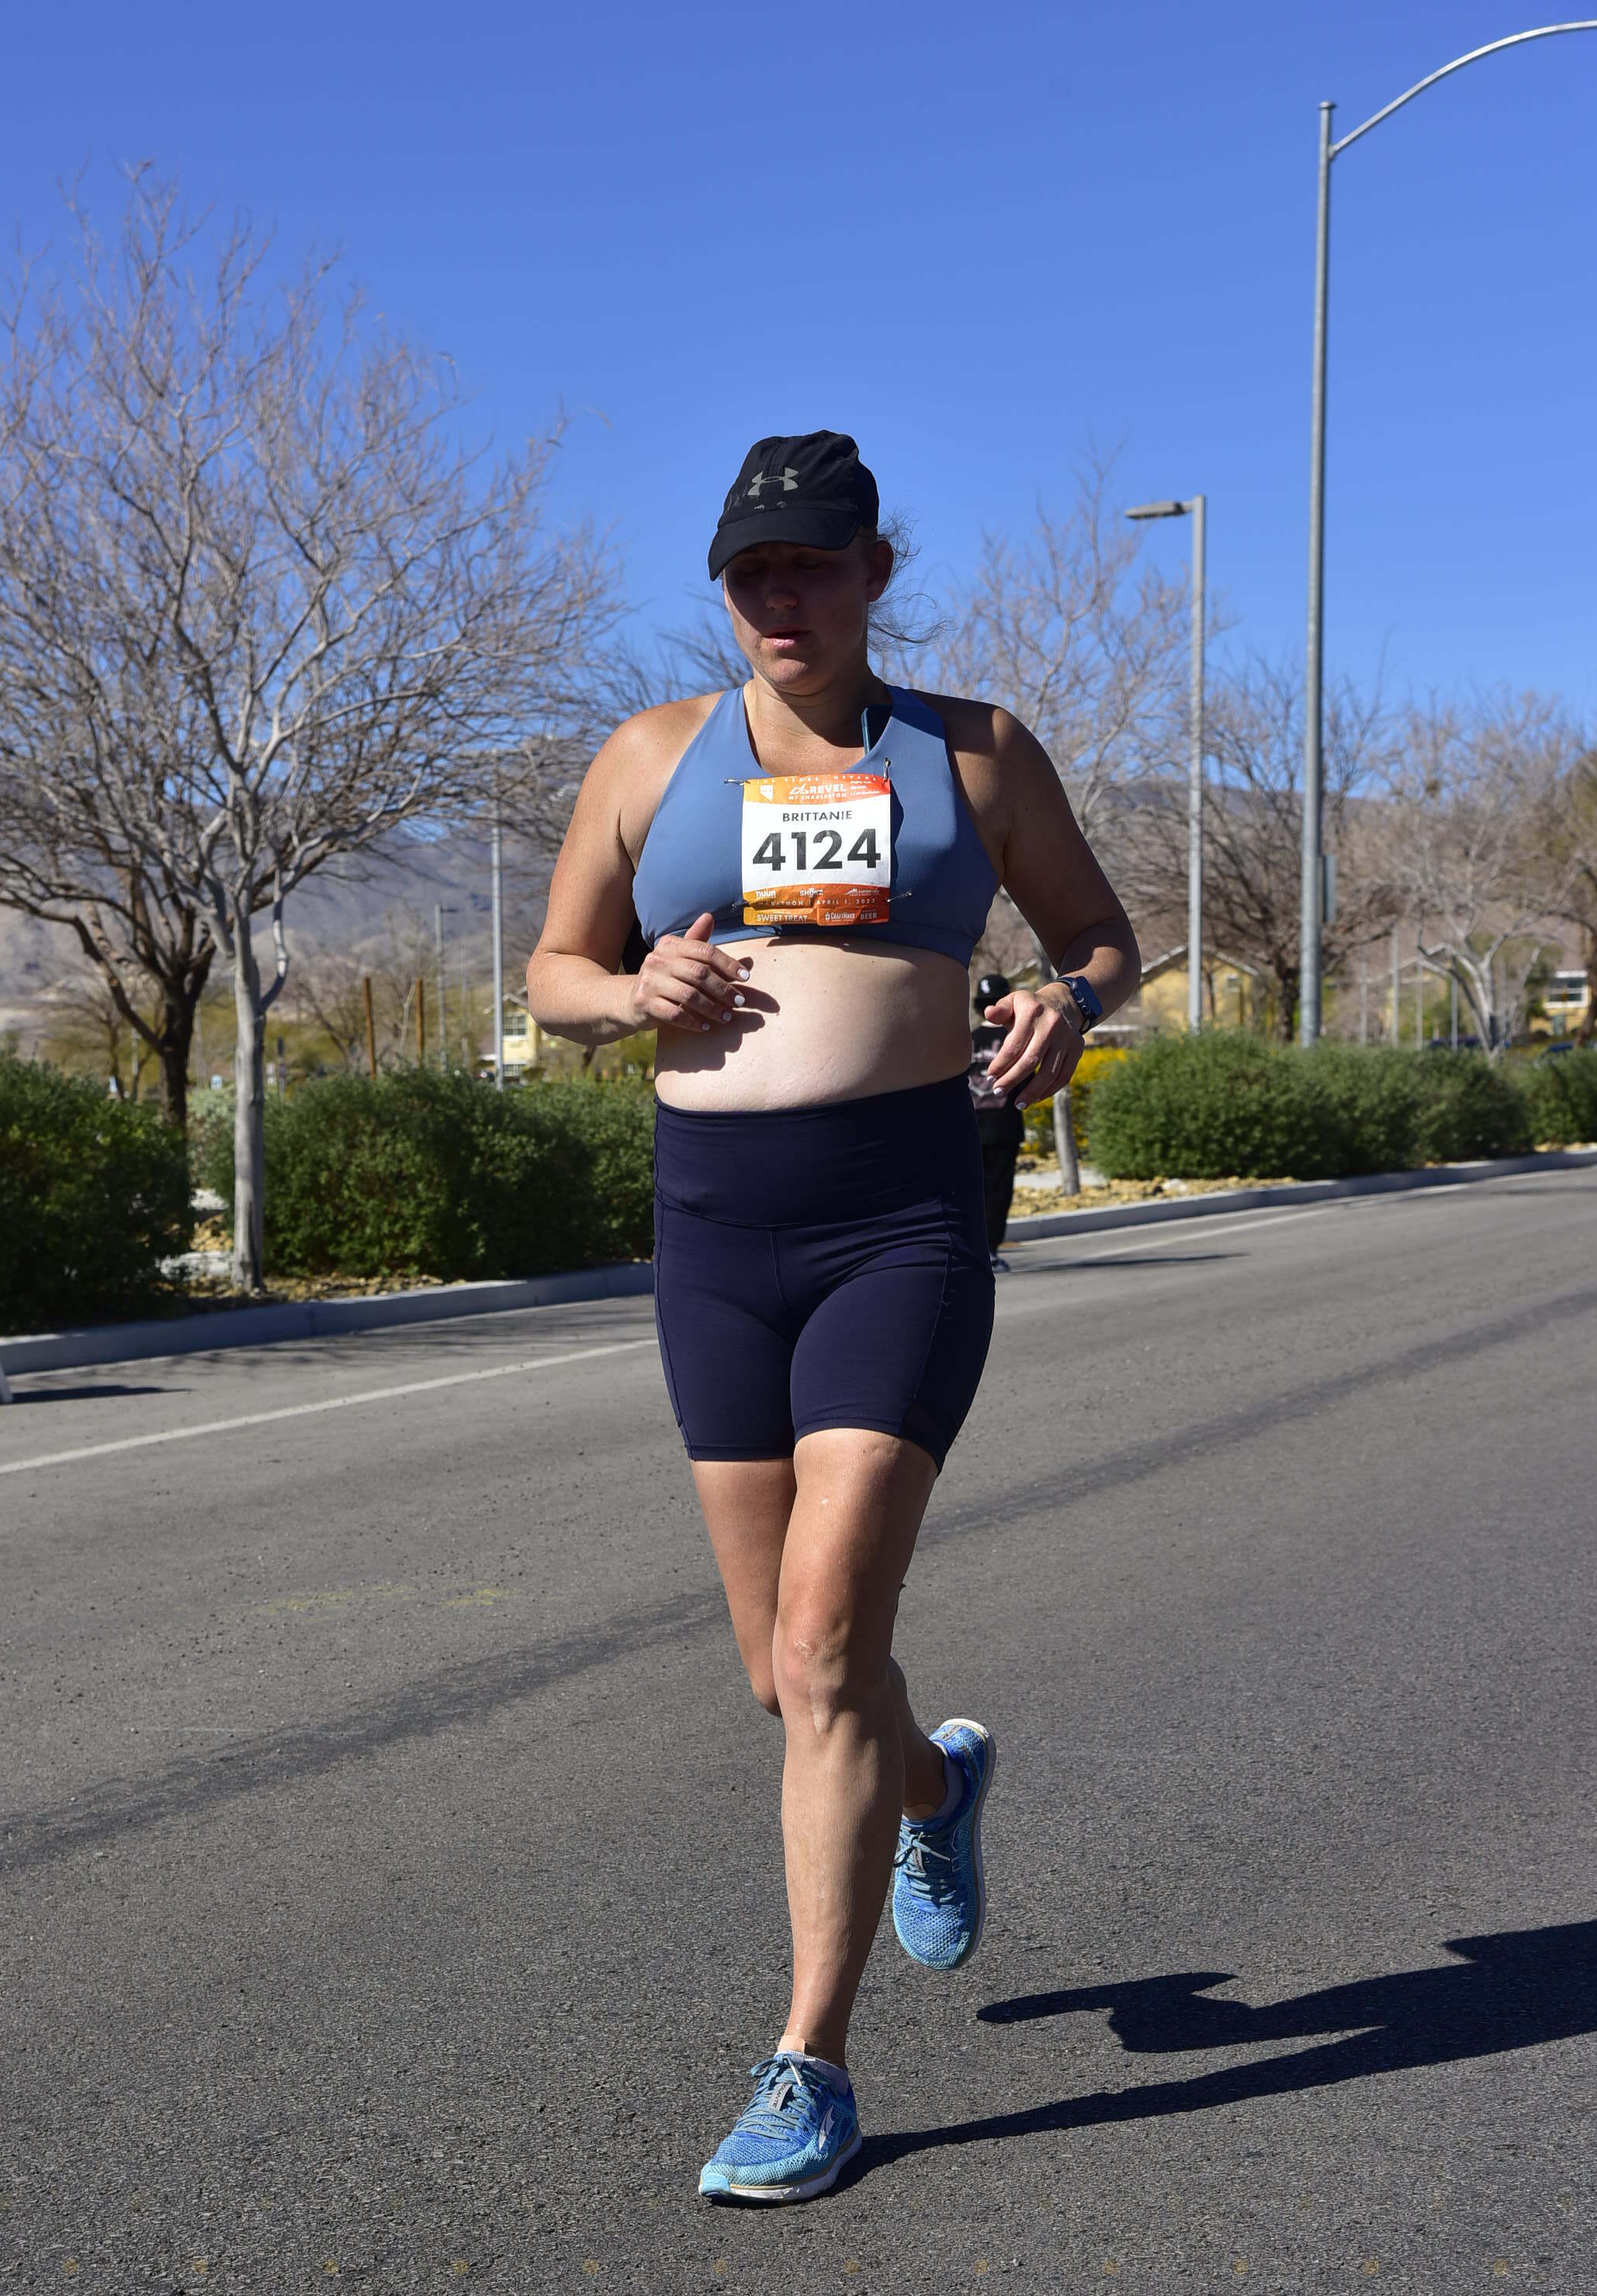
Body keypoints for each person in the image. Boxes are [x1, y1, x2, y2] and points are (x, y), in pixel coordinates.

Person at [526, 431, 1140, 2203]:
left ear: (875, 569)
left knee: (818, 1644)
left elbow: (1099, 935)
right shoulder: (650, 758)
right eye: (752, 571)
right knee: (781, 1675)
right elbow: (554, 972)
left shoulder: (972, 749)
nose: (779, 595)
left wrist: (1067, 1000)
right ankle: (932, 1791)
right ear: (723, 589)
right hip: (716, 1232)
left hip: (901, 1216)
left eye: (811, 562)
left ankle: (810, 2064)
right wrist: (626, 987)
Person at [968, 969, 1025, 1255]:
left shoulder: (967, 1039)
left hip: (968, 1128)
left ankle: (973, 1249)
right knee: (999, 1191)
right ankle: (991, 1250)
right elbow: (1027, 1082)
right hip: (1005, 1128)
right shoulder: (1017, 1042)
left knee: (970, 1192)